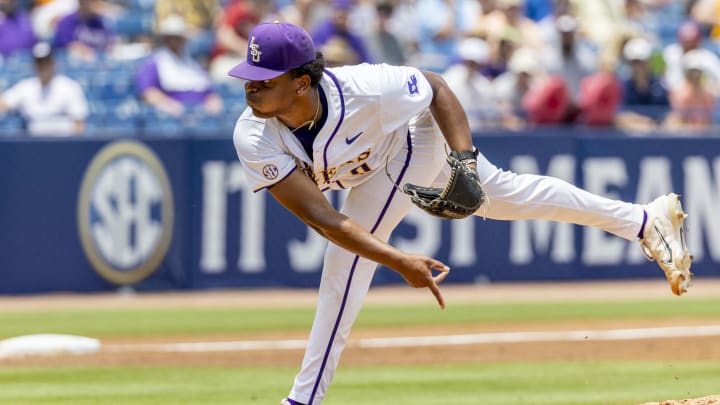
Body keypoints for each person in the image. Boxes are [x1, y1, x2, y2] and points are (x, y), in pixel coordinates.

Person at [228, 21, 694, 405]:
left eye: (263, 78)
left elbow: (434, 87)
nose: (250, 85)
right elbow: (323, 219)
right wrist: (397, 259)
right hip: (374, 163)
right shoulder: (253, 135)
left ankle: (303, 400)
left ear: (301, 82)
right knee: (508, 196)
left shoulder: (364, 89)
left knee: (344, 264)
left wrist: (463, 161)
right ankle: (642, 220)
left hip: (415, 138)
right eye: (248, 75)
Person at [134, 14, 223, 117]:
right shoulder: (155, 63)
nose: (175, 41)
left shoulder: (192, 64)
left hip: (200, 117)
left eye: (178, 37)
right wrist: (168, 105)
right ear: (165, 39)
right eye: (171, 37)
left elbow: (210, 92)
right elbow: (148, 92)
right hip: (169, 121)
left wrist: (213, 102)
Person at [0, 41, 88, 136]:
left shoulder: (69, 87)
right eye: (40, 63)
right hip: (32, 145)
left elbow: (79, 124)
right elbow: (4, 103)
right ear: (34, 66)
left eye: (46, 62)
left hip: (63, 144)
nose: (43, 67)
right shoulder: (26, 87)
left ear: (54, 63)